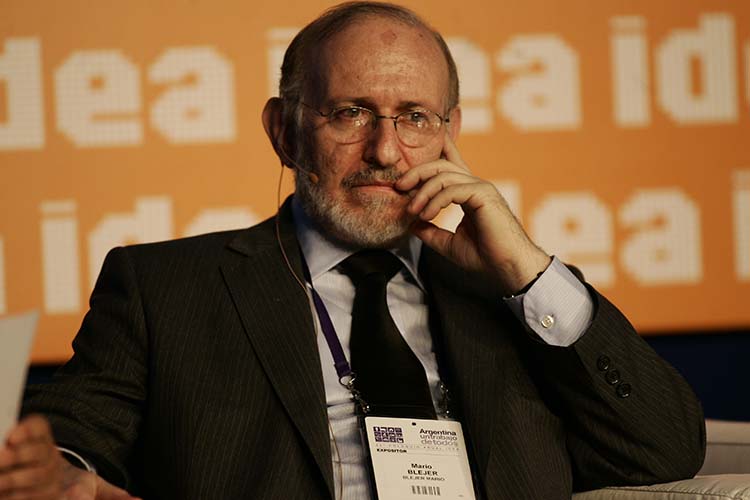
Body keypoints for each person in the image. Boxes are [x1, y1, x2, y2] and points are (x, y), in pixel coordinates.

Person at [1, 2, 705, 499]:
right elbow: (69, 444)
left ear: (451, 133)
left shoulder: (517, 298)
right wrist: (60, 476)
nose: (386, 152)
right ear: (285, 131)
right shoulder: (165, 288)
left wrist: (527, 272)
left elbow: (665, 450)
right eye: (351, 113)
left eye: (415, 118)